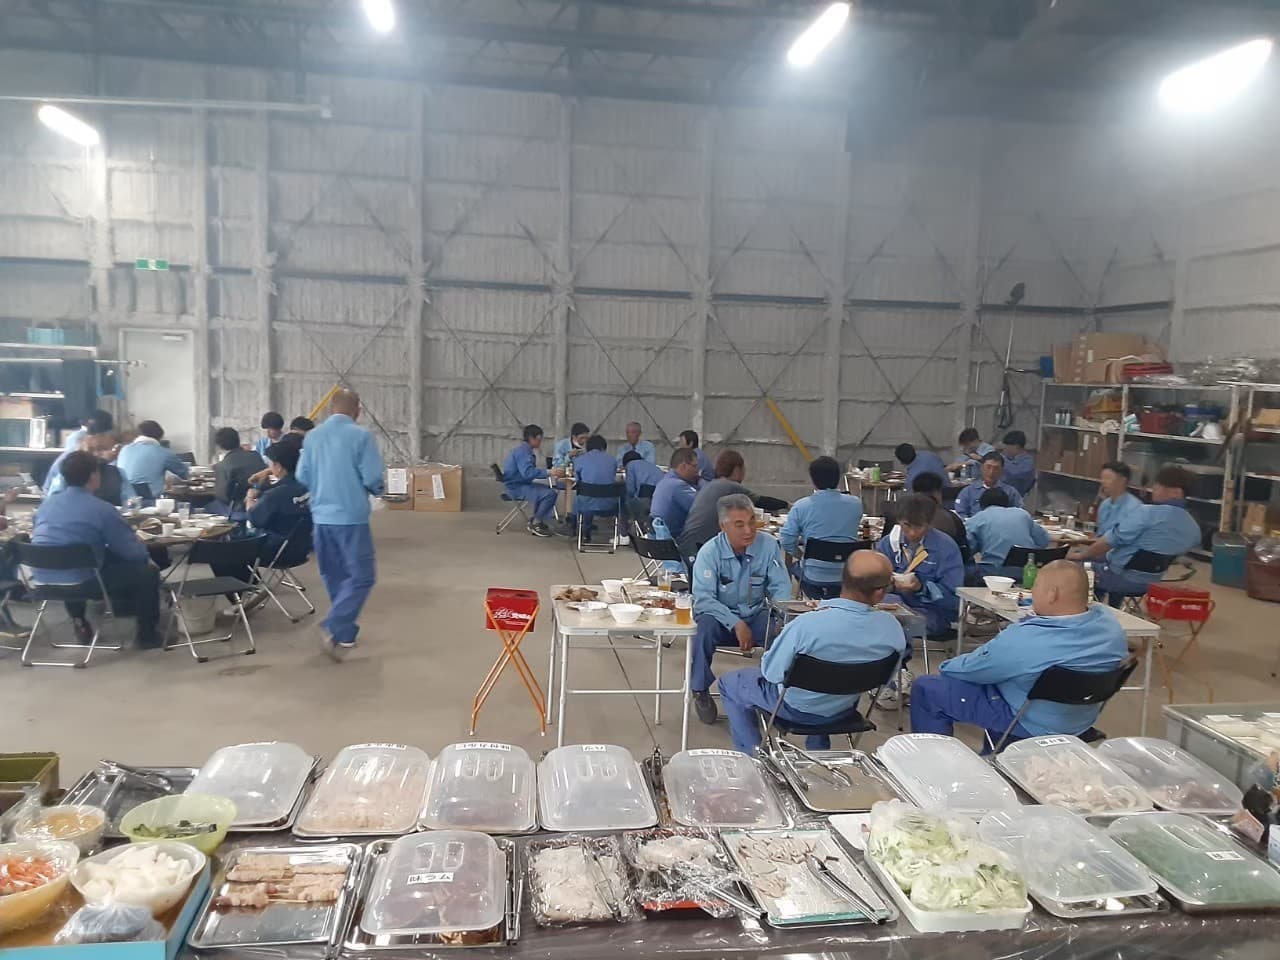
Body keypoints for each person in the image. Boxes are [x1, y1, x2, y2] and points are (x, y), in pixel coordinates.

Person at [910, 561, 1128, 743]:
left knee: (928, 689)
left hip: (1030, 722)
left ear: (1052, 594)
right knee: (1010, 676)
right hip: (1079, 721)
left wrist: (946, 666)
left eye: (1035, 587)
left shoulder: (1028, 639)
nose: (1032, 592)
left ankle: (933, 763)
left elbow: (970, 671)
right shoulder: (1110, 626)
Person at [718, 551, 910, 755]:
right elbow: (885, 679)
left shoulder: (806, 625)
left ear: (843, 578)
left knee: (730, 683)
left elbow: (771, 673)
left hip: (794, 710)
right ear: (880, 592)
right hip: (842, 709)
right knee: (831, 680)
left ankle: (755, 756)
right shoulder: (893, 629)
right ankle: (818, 751)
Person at [30, 451, 161, 648]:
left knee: (70, 561)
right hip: (84, 582)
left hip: (41, 580)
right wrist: (146, 555)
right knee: (147, 573)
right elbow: (131, 551)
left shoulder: (46, 505)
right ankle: (147, 636)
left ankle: (79, 620)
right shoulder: (101, 509)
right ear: (93, 476)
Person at [297, 389, 385, 659]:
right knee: (362, 576)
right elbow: (372, 478)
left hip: (321, 518)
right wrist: (378, 490)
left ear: (330, 409)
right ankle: (333, 624)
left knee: (335, 575)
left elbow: (302, 475)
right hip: (350, 518)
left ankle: (344, 636)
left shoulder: (312, 437)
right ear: (357, 411)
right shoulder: (360, 436)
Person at [690, 494, 791, 724]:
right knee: (702, 629)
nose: (748, 530)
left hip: (755, 614)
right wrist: (736, 623)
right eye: (739, 524)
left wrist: (783, 617)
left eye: (752, 521)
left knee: (784, 632)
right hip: (719, 617)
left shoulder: (768, 545)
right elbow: (703, 599)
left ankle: (776, 691)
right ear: (723, 526)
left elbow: (781, 589)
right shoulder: (710, 552)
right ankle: (700, 690)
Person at [1069, 465, 1201, 604]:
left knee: (1071, 565)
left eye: (1157, 488)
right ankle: (1109, 607)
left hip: (1116, 577)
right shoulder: (1193, 527)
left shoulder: (1147, 513)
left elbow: (1108, 542)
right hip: (1152, 583)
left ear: (1176, 492)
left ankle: (1087, 609)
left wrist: (1082, 556)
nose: (1153, 491)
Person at [211, 440, 312, 596]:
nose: (269, 467)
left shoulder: (274, 495)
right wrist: (266, 475)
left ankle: (243, 595)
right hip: (301, 547)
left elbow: (254, 519)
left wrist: (250, 499)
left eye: (270, 464)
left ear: (278, 466)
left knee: (219, 551)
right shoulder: (306, 487)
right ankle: (253, 586)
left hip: (276, 549)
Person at [876, 494, 963, 640]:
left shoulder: (946, 548)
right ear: (899, 521)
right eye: (906, 525)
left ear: (929, 523)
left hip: (931, 611)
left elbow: (954, 600)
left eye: (919, 526)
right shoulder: (888, 544)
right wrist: (887, 583)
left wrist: (921, 588)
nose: (912, 532)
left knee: (895, 625)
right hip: (893, 604)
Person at [780, 456, 863, 600]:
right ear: (838, 478)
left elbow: (786, 540)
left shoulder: (801, 506)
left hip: (813, 575)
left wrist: (802, 555)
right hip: (847, 574)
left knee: (795, 567)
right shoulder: (856, 504)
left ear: (813, 479)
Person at [678, 450, 751, 559]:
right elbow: (762, 501)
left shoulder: (709, 485)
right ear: (737, 469)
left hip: (685, 545)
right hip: (698, 550)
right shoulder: (730, 486)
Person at [966, 487, 1050, 579]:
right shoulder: (1022, 514)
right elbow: (1043, 541)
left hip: (993, 572)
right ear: (1007, 503)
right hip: (1026, 572)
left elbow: (967, 550)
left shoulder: (977, 519)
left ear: (981, 505)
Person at [502, 425, 564, 537]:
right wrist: (549, 472)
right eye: (539, 439)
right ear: (531, 438)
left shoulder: (523, 450)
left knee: (548, 491)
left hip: (518, 484)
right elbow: (527, 473)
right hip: (516, 487)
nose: (540, 442)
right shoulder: (523, 453)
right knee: (549, 494)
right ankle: (536, 523)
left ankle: (537, 519)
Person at [114, 420, 190, 500]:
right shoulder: (163, 452)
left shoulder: (124, 449)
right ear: (159, 437)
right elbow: (185, 474)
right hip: (151, 501)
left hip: (123, 500)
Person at [910, 472, 971, 568]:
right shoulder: (951, 518)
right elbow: (965, 555)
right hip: (947, 571)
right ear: (937, 493)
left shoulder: (902, 516)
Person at [567, 435, 619, 540]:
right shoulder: (612, 460)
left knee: (582, 497)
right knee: (590, 496)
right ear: (603, 447)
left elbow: (578, 481)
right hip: (609, 505)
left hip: (585, 505)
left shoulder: (580, 459)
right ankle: (586, 529)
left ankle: (578, 528)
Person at [649, 447, 703, 540]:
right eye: (694, 466)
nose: (698, 471)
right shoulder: (678, 486)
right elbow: (701, 507)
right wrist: (703, 483)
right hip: (675, 540)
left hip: (656, 540)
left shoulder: (665, 481)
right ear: (683, 466)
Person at [212, 427, 267, 514]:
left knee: (206, 506)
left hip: (237, 508)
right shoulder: (255, 455)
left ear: (219, 446)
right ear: (238, 440)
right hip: (262, 503)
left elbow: (223, 496)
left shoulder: (222, 466)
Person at [954, 452, 1024, 519]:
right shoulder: (968, 491)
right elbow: (960, 513)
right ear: (981, 468)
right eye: (988, 467)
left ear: (1002, 470)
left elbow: (1020, 514)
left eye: (996, 468)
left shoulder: (1010, 492)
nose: (991, 472)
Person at [1097, 461, 1142, 538]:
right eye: (1102, 478)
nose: (1103, 481)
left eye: (1107, 478)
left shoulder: (1135, 508)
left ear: (1122, 480)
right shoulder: (1104, 505)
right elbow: (1100, 535)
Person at [622, 449, 664, 524]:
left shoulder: (630, 465)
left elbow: (630, 490)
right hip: (661, 497)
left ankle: (630, 524)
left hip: (645, 497)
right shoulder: (651, 465)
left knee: (625, 498)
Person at [1000, 430, 1036, 495]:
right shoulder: (1009, 459)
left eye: (1007, 446)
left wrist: (1000, 459)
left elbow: (1015, 472)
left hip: (1016, 495)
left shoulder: (1028, 462)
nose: (1005, 449)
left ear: (1016, 446)